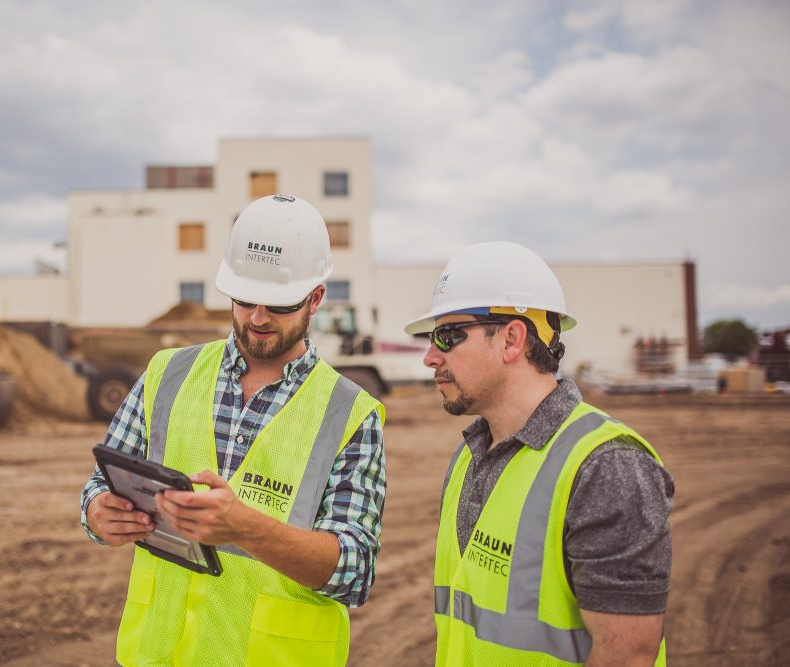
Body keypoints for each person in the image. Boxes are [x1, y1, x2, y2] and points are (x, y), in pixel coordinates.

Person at [81, 194, 386, 666]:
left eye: (279, 302)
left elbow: (355, 570)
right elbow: (101, 484)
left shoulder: (350, 413)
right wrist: (99, 513)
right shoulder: (167, 373)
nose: (258, 317)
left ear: (316, 298)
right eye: (245, 299)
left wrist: (245, 528)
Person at [406, 242, 673, 666]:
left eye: (447, 336)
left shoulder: (606, 465)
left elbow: (628, 655)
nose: (429, 356)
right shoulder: (467, 455)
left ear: (512, 338)